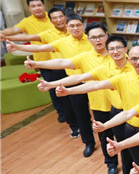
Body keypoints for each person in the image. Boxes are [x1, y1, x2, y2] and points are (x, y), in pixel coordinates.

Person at [54, 46, 139, 174]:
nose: (138, 62)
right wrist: (68, 91)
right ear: (130, 60)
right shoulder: (122, 78)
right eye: (134, 59)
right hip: (133, 129)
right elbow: (95, 86)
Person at [33, 33, 135, 174]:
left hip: (135, 112)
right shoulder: (103, 67)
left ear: (125, 49)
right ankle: (120, 173)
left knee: (137, 146)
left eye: (118, 48)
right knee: (113, 141)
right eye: (112, 49)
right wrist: (52, 84)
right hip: (108, 108)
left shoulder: (135, 64)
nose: (115, 51)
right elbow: (81, 78)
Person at [7, 14, 96, 155]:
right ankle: (89, 143)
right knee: (81, 114)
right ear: (67, 27)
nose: (75, 28)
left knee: (101, 113)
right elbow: (41, 48)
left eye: (78, 25)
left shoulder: (92, 40)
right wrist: (16, 46)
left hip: (95, 81)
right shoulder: (63, 42)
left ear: (83, 25)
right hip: (73, 82)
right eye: (72, 26)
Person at [1, 6, 73, 130]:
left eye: (61, 17)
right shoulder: (45, 32)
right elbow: (30, 39)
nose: (58, 20)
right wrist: (7, 37)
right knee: (54, 89)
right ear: (29, 8)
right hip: (46, 63)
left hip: (70, 65)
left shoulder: (71, 30)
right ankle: (65, 116)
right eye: (33, 6)